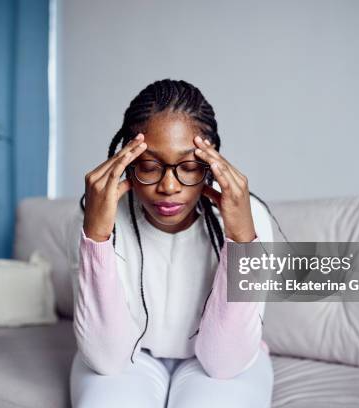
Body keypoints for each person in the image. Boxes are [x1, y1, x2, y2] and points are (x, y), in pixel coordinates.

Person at [66, 79, 275, 407]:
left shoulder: (251, 218)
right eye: (149, 166)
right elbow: (106, 359)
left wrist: (241, 241)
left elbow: (225, 363)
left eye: (189, 167)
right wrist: (96, 238)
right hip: (128, 359)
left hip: (221, 364)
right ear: (128, 164)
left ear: (210, 166)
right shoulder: (95, 217)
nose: (168, 186)